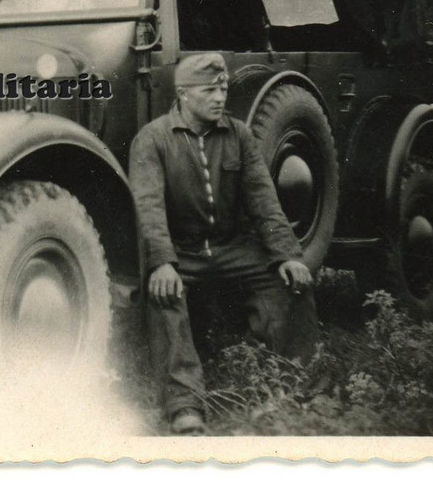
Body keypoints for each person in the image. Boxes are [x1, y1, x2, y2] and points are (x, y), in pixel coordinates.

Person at [129, 53, 319, 436]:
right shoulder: (153, 139)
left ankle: (299, 385)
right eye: (209, 90)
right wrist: (162, 262)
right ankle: (184, 405)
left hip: (233, 248)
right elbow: (148, 207)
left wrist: (288, 255)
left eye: (224, 89)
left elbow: (264, 201)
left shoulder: (239, 135)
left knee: (289, 281)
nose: (219, 98)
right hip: (182, 252)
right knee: (164, 295)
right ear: (183, 93)